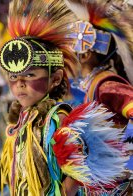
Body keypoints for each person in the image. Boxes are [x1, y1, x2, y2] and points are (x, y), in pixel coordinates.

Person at [0, 0, 129, 195]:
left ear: (56, 78)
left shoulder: (58, 119)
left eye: (30, 75)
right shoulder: (24, 121)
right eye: (14, 76)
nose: (20, 84)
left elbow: (76, 175)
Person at [64, 0, 133, 194]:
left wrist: (125, 161)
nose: (62, 62)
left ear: (84, 55)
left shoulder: (106, 85)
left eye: (66, 53)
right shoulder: (95, 87)